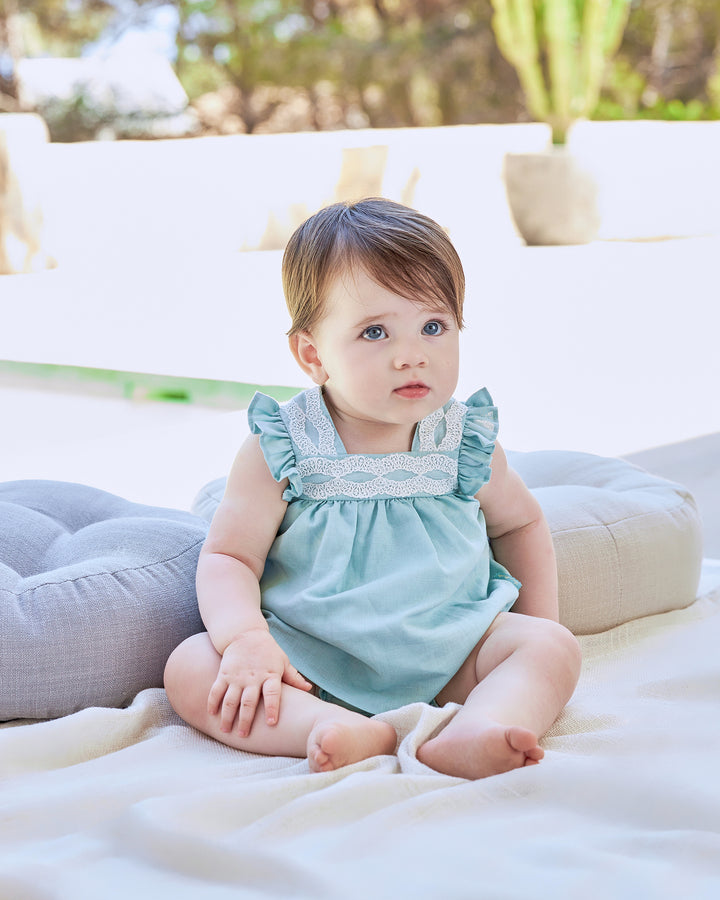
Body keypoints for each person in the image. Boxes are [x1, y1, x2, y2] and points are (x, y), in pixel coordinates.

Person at [164, 198, 582, 780]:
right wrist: (246, 640)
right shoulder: (285, 445)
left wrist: (537, 628)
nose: (411, 355)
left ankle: (475, 729)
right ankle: (328, 728)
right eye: (375, 332)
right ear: (313, 355)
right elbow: (230, 555)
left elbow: (521, 524)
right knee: (190, 665)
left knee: (554, 650)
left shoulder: (463, 441)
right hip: (308, 659)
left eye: (433, 326)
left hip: (453, 651)